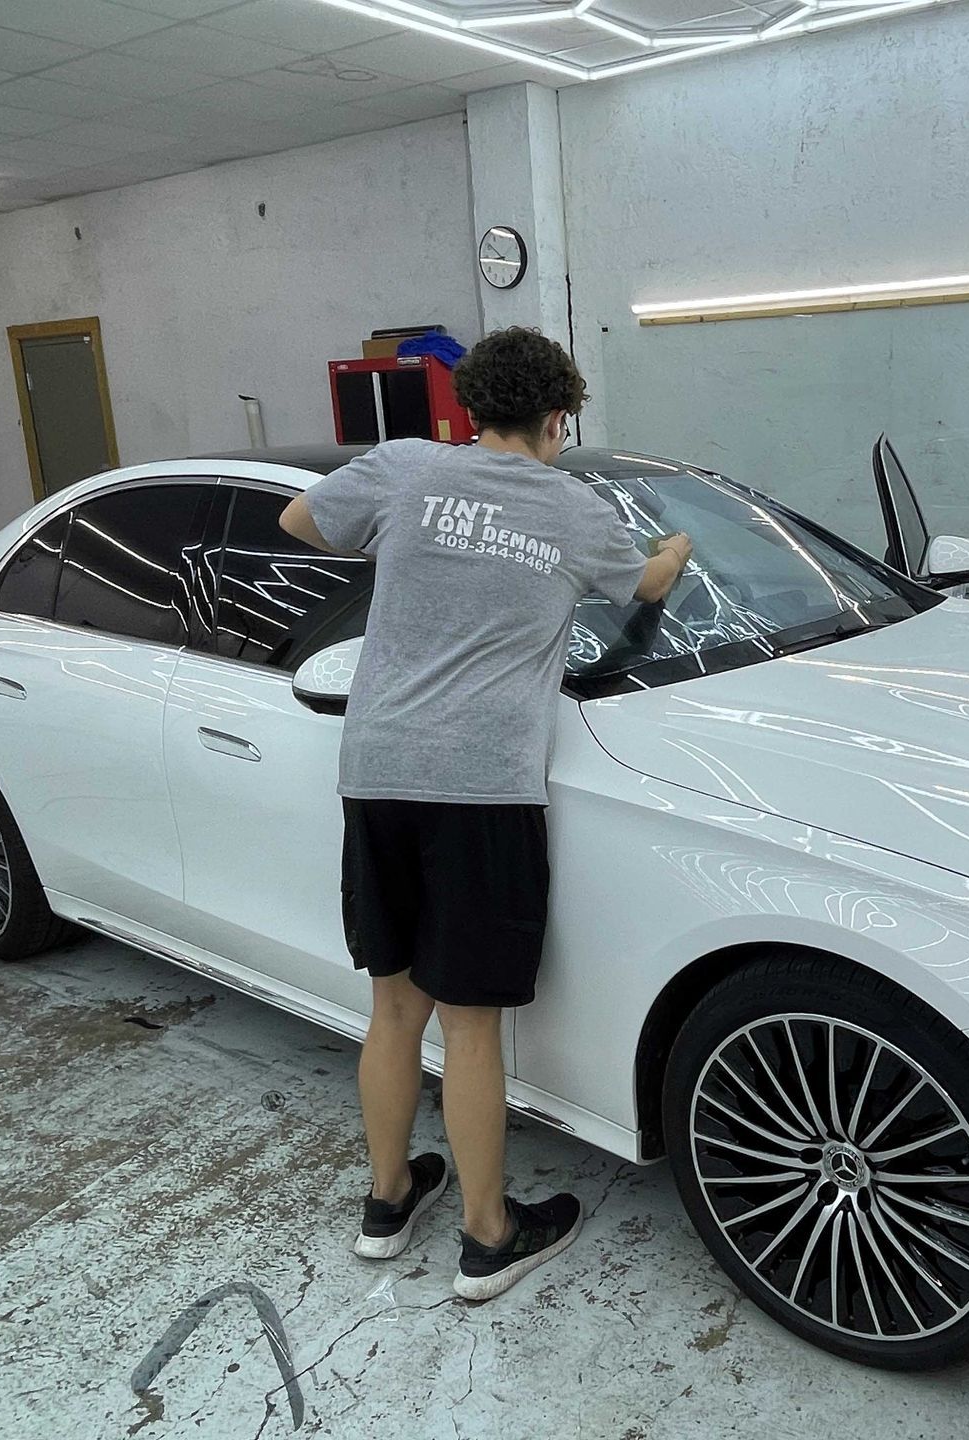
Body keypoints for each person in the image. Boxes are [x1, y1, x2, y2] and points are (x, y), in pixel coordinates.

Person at [280, 328, 691, 1299]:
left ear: (466, 411)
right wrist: (670, 546)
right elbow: (646, 585)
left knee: (391, 1005)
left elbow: (302, 519)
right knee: (468, 1025)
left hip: (378, 771)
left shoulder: (406, 468)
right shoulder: (578, 510)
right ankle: (486, 1233)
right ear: (558, 419)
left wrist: (412, 555)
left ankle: (387, 1205)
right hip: (482, 787)